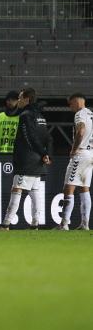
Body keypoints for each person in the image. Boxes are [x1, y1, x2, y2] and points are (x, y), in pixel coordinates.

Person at [0, 88, 52, 230]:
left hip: (27, 160)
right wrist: (47, 154)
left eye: (21, 98)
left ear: (27, 99)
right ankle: (35, 224)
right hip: (38, 161)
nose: (18, 101)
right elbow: (48, 138)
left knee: (16, 189)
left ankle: (6, 224)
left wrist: (41, 153)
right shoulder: (40, 116)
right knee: (35, 192)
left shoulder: (25, 115)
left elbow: (29, 137)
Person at [58, 93, 92, 230]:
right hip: (91, 154)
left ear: (77, 101)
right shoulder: (91, 114)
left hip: (81, 153)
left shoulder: (80, 114)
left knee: (68, 188)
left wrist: (74, 149)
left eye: (70, 103)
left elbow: (81, 130)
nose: (70, 106)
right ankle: (85, 224)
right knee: (84, 189)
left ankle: (64, 224)